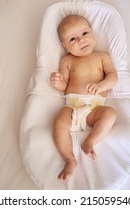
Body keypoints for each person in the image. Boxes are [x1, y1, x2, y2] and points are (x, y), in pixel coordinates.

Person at [50, 15, 118, 180]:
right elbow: (64, 86)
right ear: (64, 45)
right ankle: (69, 158)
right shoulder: (67, 60)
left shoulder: (102, 57)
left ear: (93, 33)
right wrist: (57, 82)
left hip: (94, 110)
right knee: (59, 122)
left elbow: (113, 77)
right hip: (72, 107)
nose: (81, 40)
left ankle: (90, 141)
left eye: (85, 33)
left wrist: (101, 86)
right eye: (73, 38)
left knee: (110, 114)